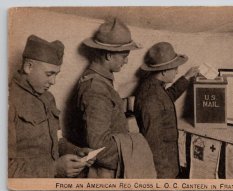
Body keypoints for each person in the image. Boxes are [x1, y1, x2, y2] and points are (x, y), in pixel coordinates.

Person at [8, 35, 94, 178]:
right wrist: (53, 169)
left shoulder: (48, 98)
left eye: (56, 74)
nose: (53, 81)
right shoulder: (8, 100)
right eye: (49, 74)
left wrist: (76, 151)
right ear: (28, 67)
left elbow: (57, 140)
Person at [70, 18, 141, 178]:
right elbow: (99, 147)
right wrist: (132, 156)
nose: (126, 61)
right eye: (124, 56)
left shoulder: (100, 80)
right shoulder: (95, 88)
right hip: (104, 174)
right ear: (109, 55)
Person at [134, 42, 199, 179]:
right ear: (164, 71)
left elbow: (166, 98)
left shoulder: (154, 87)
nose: (177, 72)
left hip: (168, 164)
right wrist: (164, 177)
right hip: (162, 170)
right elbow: (153, 142)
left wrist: (186, 78)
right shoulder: (151, 97)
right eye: (175, 68)